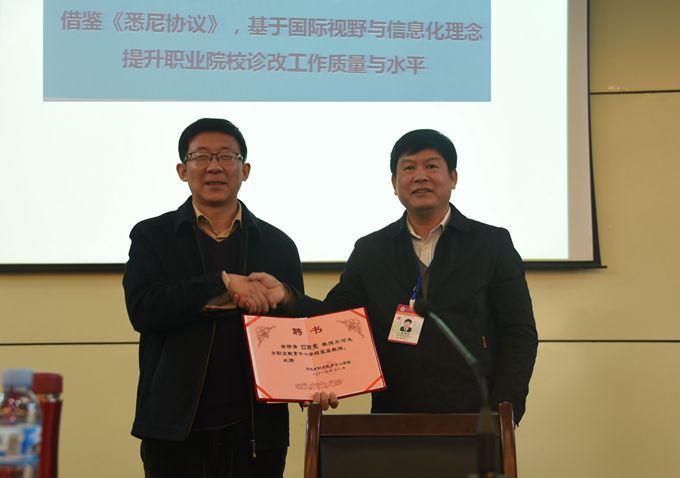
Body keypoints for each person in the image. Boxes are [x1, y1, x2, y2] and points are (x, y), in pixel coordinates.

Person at [248, 129, 538, 422]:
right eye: (408, 168)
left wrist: (504, 411)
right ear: (394, 183)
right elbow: (335, 318)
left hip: (475, 417)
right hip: (393, 416)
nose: (420, 176)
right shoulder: (372, 250)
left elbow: (518, 331)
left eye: (431, 166)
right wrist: (287, 296)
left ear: (453, 177)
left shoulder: (491, 244)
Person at [122, 118, 304, 478]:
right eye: (202, 156)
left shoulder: (278, 244)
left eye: (227, 156)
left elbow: (295, 329)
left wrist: (315, 383)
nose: (215, 166)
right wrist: (222, 285)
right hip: (174, 431)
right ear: (182, 170)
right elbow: (143, 310)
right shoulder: (153, 236)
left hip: (258, 432)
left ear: (245, 170)